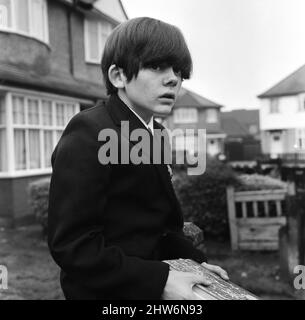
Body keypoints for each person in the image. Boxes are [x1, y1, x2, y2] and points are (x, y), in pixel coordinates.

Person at [48, 17, 228, 300]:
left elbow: (162, 226)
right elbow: (74, 246)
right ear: (118, 76)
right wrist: (161, 281)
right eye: (157, 66)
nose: (174, 79)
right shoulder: (90, 131)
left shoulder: (156, 132)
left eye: (179, 70)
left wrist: (196, 263)